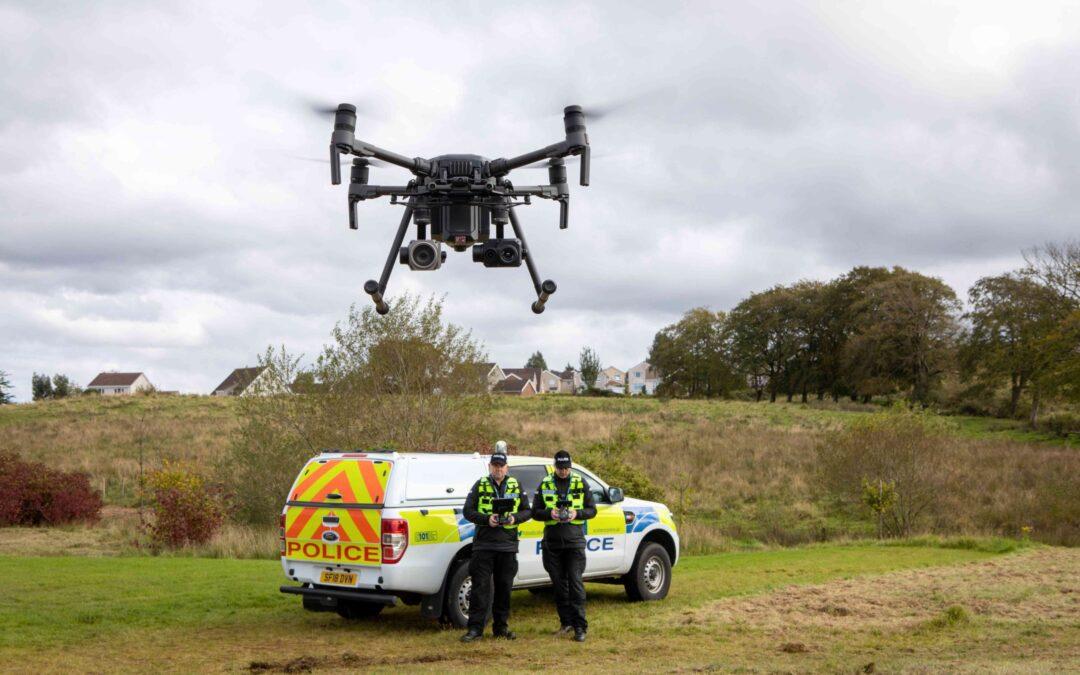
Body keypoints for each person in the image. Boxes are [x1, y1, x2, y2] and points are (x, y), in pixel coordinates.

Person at [459, 441, 531, 642]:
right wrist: (486, 519)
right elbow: (467, 511)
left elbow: (528, 511)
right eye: (495, 466)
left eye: (501, 466)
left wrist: (514, 518)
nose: (498, 470)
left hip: (508, 546)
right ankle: (475, 630)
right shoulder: (480, 484)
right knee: (480, 589)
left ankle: (501, 628)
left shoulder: (516, 485)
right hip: (484, 546)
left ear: (506, 467)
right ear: (490, 467)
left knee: (504, 589)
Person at [532, 449, 596, 642]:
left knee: (576, 583)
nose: (563, 471)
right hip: (552, 542)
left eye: (566, 467)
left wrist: (577, 514)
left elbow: (592, 510)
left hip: (574, 541)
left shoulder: (580, 482)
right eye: (560, 468)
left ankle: (580, 627)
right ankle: (566, 623)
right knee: (559, 586)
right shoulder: (545, 484)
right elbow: (535, 512)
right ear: (555, 466)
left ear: (571, 465)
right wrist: (549, 513)